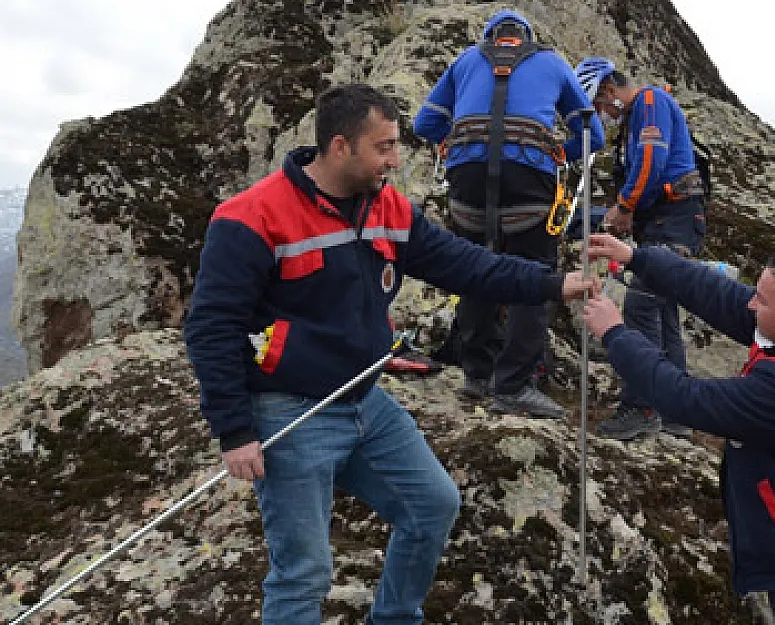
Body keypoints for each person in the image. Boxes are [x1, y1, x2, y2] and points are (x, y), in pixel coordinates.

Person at [184, 83, 597, 625]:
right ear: (339, 146)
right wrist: (235, 431)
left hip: (364, 401)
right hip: (290, 411)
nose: (396, 160)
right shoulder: (251, 217)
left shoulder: (388, 208)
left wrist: (555, 283)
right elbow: (211, 326)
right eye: (383, 147)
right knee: (304, 572)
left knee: (432, 505)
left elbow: (467, 265)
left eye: (396, 145)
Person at [582, 234, 775, 624]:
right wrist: (638, 258)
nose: (749, 303)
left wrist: (615, 333)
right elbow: (722, 297)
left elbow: (683, 398)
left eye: (761, 299)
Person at [413, 9, 603, 419]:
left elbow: (424, 123)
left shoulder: (466, 61)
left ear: (491, 37)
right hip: (528, 175)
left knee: (472, 267)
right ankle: (514, 385)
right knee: (534, 273)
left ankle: (476, 373)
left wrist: (458, 140)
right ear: (527, 36)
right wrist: (557, 153)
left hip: (467, 174)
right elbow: (594, 135)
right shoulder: (552, 62)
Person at [574, 57, 706, 440]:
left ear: (610, 90)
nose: (603, 113)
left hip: (675, 220)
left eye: (600, 105)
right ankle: (678, 411)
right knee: (663, 312)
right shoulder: (634, 119)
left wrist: (625, 206)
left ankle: (641, 406)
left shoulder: (649, 102)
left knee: (641, 306)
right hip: (667, 221)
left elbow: (650, 161)